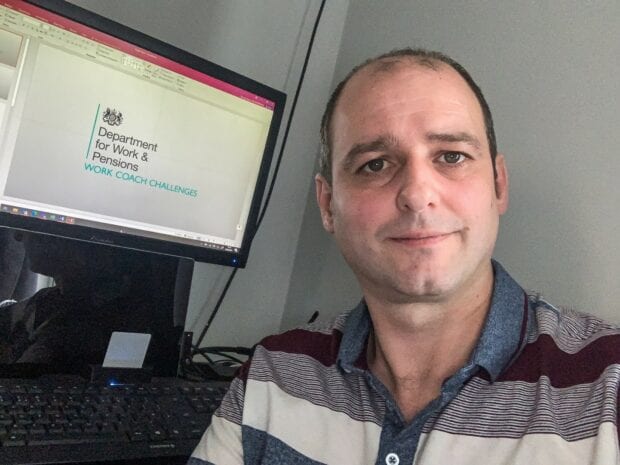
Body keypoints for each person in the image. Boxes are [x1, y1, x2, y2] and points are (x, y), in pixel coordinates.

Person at [188, 49, 620, 464]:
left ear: (498, 185)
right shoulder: (271, 375)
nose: (417, 194)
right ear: (327, 205)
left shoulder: (608, 385)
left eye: (452, 156)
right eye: (375, 164)